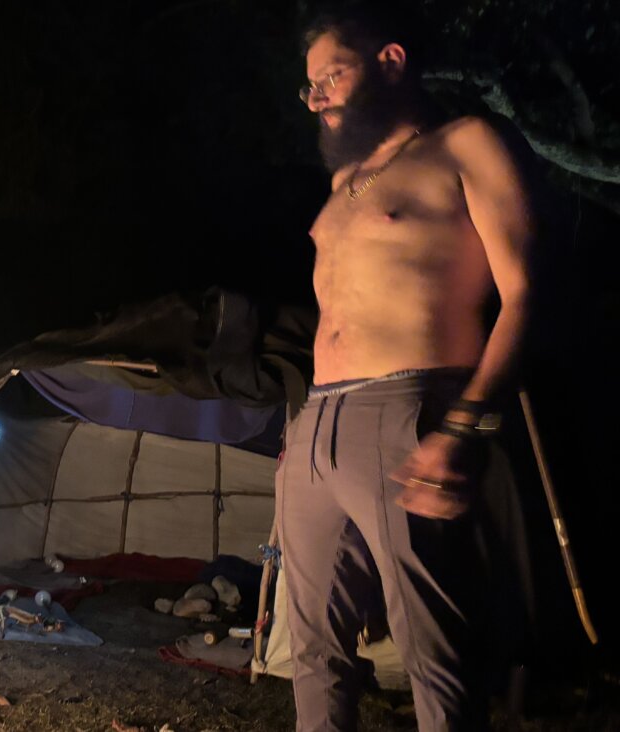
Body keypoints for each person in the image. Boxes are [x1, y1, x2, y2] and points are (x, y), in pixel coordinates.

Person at [276, 6, 534, 731]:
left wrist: (463, 426)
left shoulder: (464, 145)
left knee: (434, 655)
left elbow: (521, 297)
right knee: (314, 650)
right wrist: (304, 440)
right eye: (310, 87)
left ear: (390, 60)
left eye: (333, 75)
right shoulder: (343, 184)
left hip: (408, 412)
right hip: (318, 421)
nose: (319, 96)